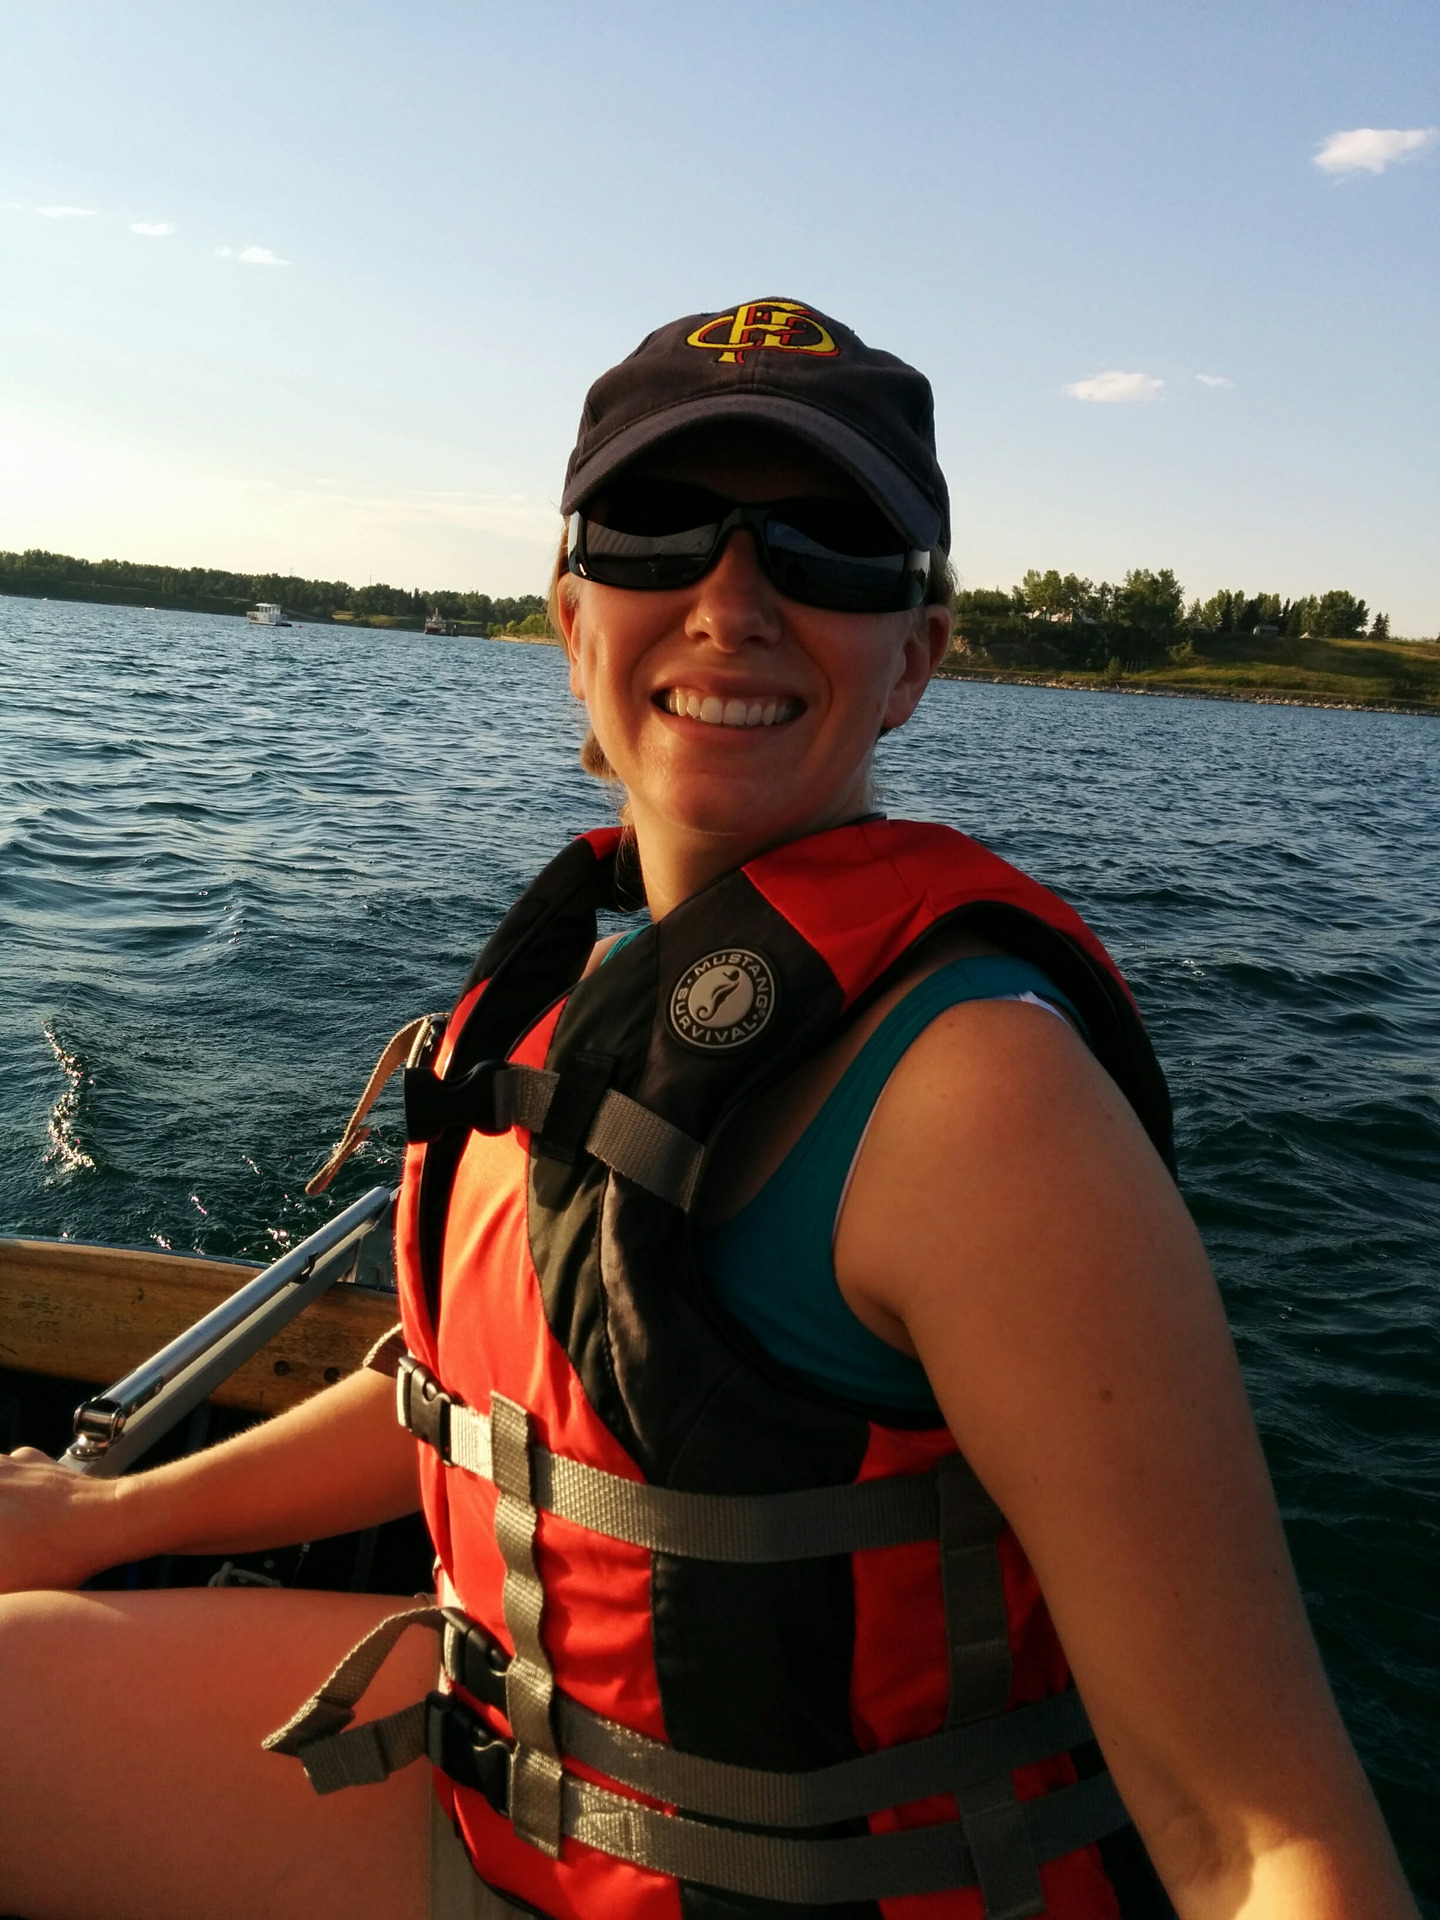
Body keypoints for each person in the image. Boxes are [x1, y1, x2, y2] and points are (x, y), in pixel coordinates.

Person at [0, 300, 1418, 1920]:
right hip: (518, 1783)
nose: (732, 602)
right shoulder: (587, 1012)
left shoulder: (983, 1105)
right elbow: (492, 1407)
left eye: (828, 549)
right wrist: (106, 1512)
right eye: (656, 529)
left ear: (917, 657)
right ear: (571, 616)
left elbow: (1263, 1843)